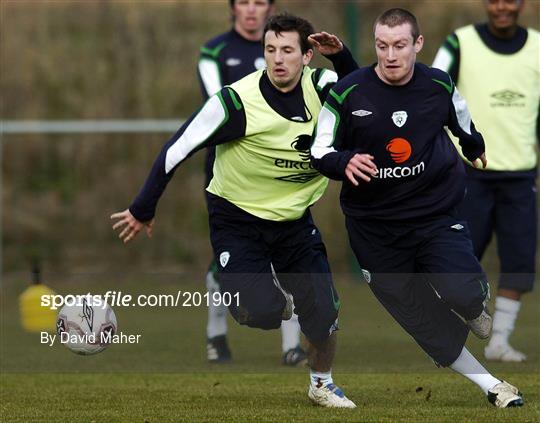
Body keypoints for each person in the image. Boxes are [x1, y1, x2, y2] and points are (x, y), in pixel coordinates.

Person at [112, 13, 358, 408]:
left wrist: (343, 58)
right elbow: (178, 148)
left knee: (325, 312)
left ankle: (322, 384)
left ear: (307, 56)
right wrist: (142, 208)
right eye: (270, 49)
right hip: (237, 220)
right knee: (256, 310)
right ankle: (279, 302)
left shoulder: (324, 86)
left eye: (288, 51)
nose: (277, 59)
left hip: (295, 222)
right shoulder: (235, 102)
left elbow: (362, 100)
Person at [311, 8, 524, 408]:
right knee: (423, 321)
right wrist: (344, 162)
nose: (390, 55)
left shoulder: (437, 85)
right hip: (374, 232)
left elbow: (462, 120)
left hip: (433, 216)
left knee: (462, 291)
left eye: (400, 45)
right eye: (381, 46)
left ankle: (475, 304)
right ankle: (492, 387)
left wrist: (474, 147)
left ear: (418, 45)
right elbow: (319, 149)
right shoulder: (347, 92)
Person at [198, 0, 307, 367]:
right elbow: (218, 103)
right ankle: (216, 336)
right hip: (229, 169)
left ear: (270, 8)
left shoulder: (292, 49)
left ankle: (292, 345)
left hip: (283, 167)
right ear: (232, 8)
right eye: (243, 2)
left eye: (259, 2)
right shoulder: (215, 51)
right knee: (227, 261)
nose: (250, 9)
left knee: (287, 250)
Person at [432, 0, 539, 363]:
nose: (502, 7)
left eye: (510, 0)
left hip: (522, 175)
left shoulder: (538, 47)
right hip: (469, 173)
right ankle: (444, 336)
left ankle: (500, 341)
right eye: (495, 0)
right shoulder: (459, 43)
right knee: (459, 259)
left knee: (520, 261)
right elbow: (432, 92)